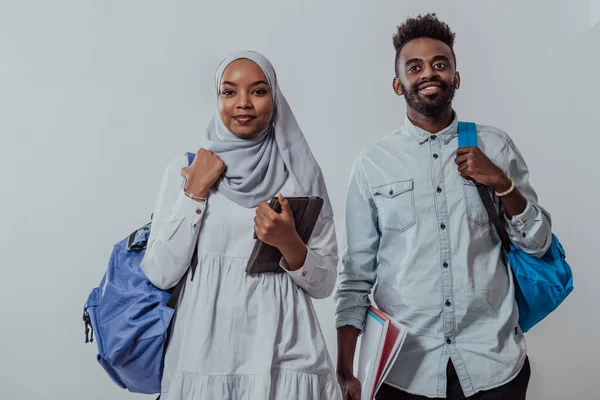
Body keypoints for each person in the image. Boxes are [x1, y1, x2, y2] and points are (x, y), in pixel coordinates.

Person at [335, 13, 551, 400]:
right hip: (403, 369)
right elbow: (355, 275)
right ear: (397, 84)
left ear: (456, 76)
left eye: (440, 64)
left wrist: (503, 183)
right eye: (414, 67)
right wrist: (345, 368)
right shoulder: (372, 164)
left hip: (493, 363)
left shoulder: (494, 145)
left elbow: (538, 243)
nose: (428, 74)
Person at [141, 51, 342, 400]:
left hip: (285, 352)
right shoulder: (186, 170)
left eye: (259, 91)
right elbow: (160, 273)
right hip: (205, 353)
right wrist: (194, 194)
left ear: (275, 97)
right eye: (229, 91)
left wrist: (289, 243)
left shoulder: (301, 175)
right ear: (217, 97)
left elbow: (324, 283)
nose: (243, 103)